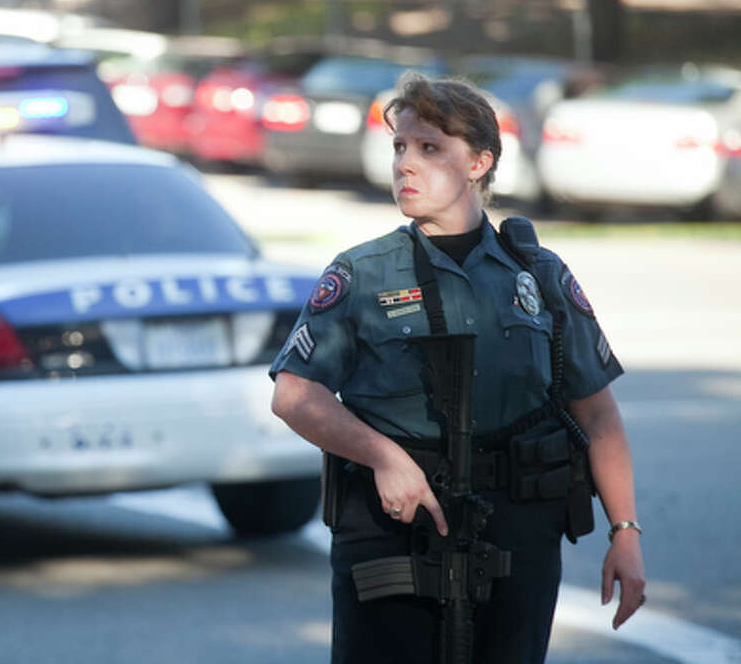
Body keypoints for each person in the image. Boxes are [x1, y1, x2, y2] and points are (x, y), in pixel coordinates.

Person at [269, 73, 646, 663]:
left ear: (479, 163)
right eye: (399, 148)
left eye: (429, 148)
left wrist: (625, 534)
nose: (405, 166)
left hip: (518, 524)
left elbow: (597, 415)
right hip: (395, 522)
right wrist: (384, 457)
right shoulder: (363, 273)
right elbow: (294, 394)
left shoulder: (538, 274)